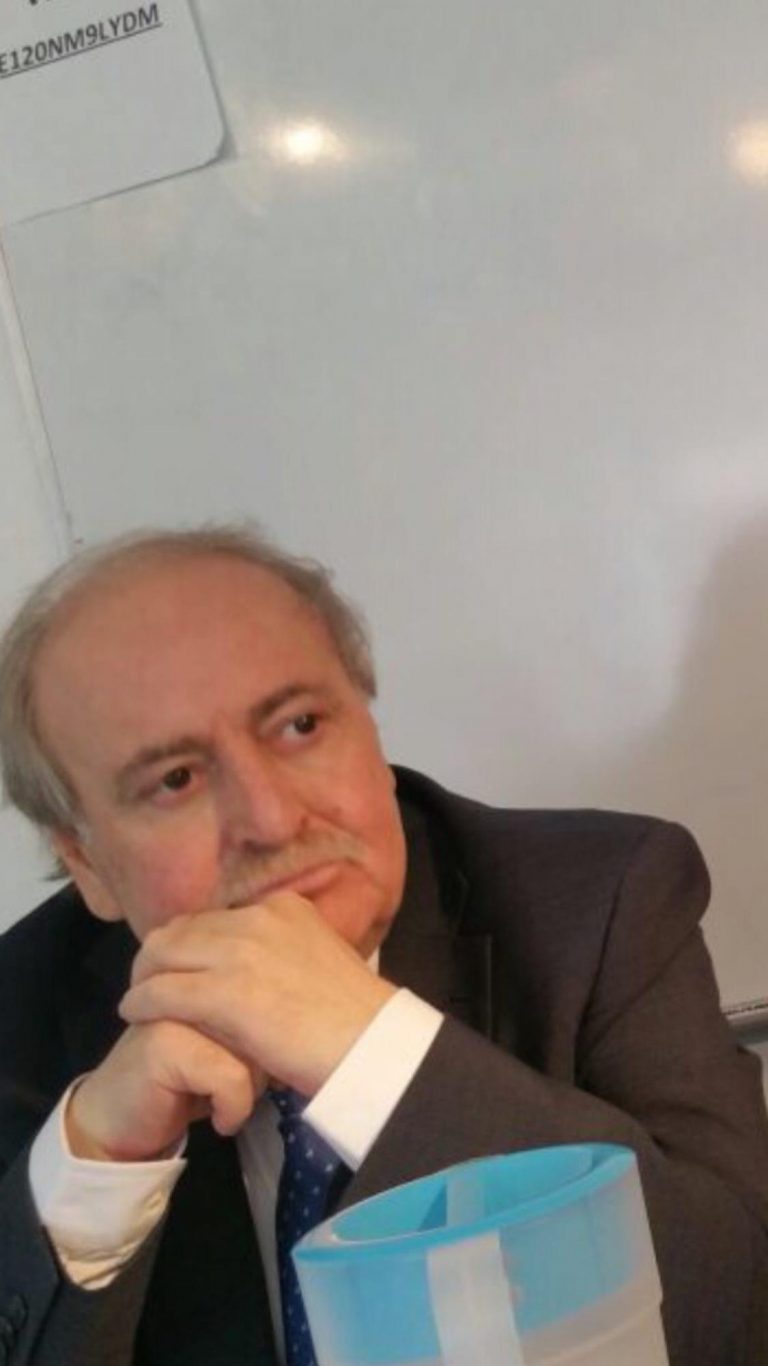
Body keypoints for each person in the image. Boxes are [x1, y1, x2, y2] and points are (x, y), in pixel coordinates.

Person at [0, 525, 766, 1366]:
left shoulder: (600, 902)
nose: (272, 820)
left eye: (299, 725)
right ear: (86, 863)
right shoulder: (21, 1006)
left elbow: (740, 1310)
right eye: (175, 780)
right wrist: (95, 1170)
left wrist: (373, 1056)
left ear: (368, 719)